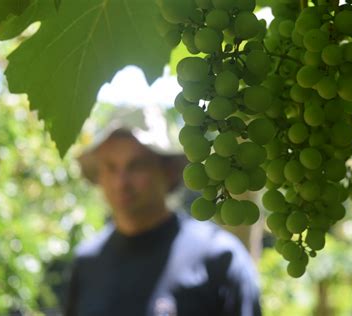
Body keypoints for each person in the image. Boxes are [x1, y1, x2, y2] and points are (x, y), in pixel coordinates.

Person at [64, 115, 262, 316]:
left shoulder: (218, 256)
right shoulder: (88, 262)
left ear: (169, 172)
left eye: (136, 165)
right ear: (99, 175)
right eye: (110, 167)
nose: (121, 182)